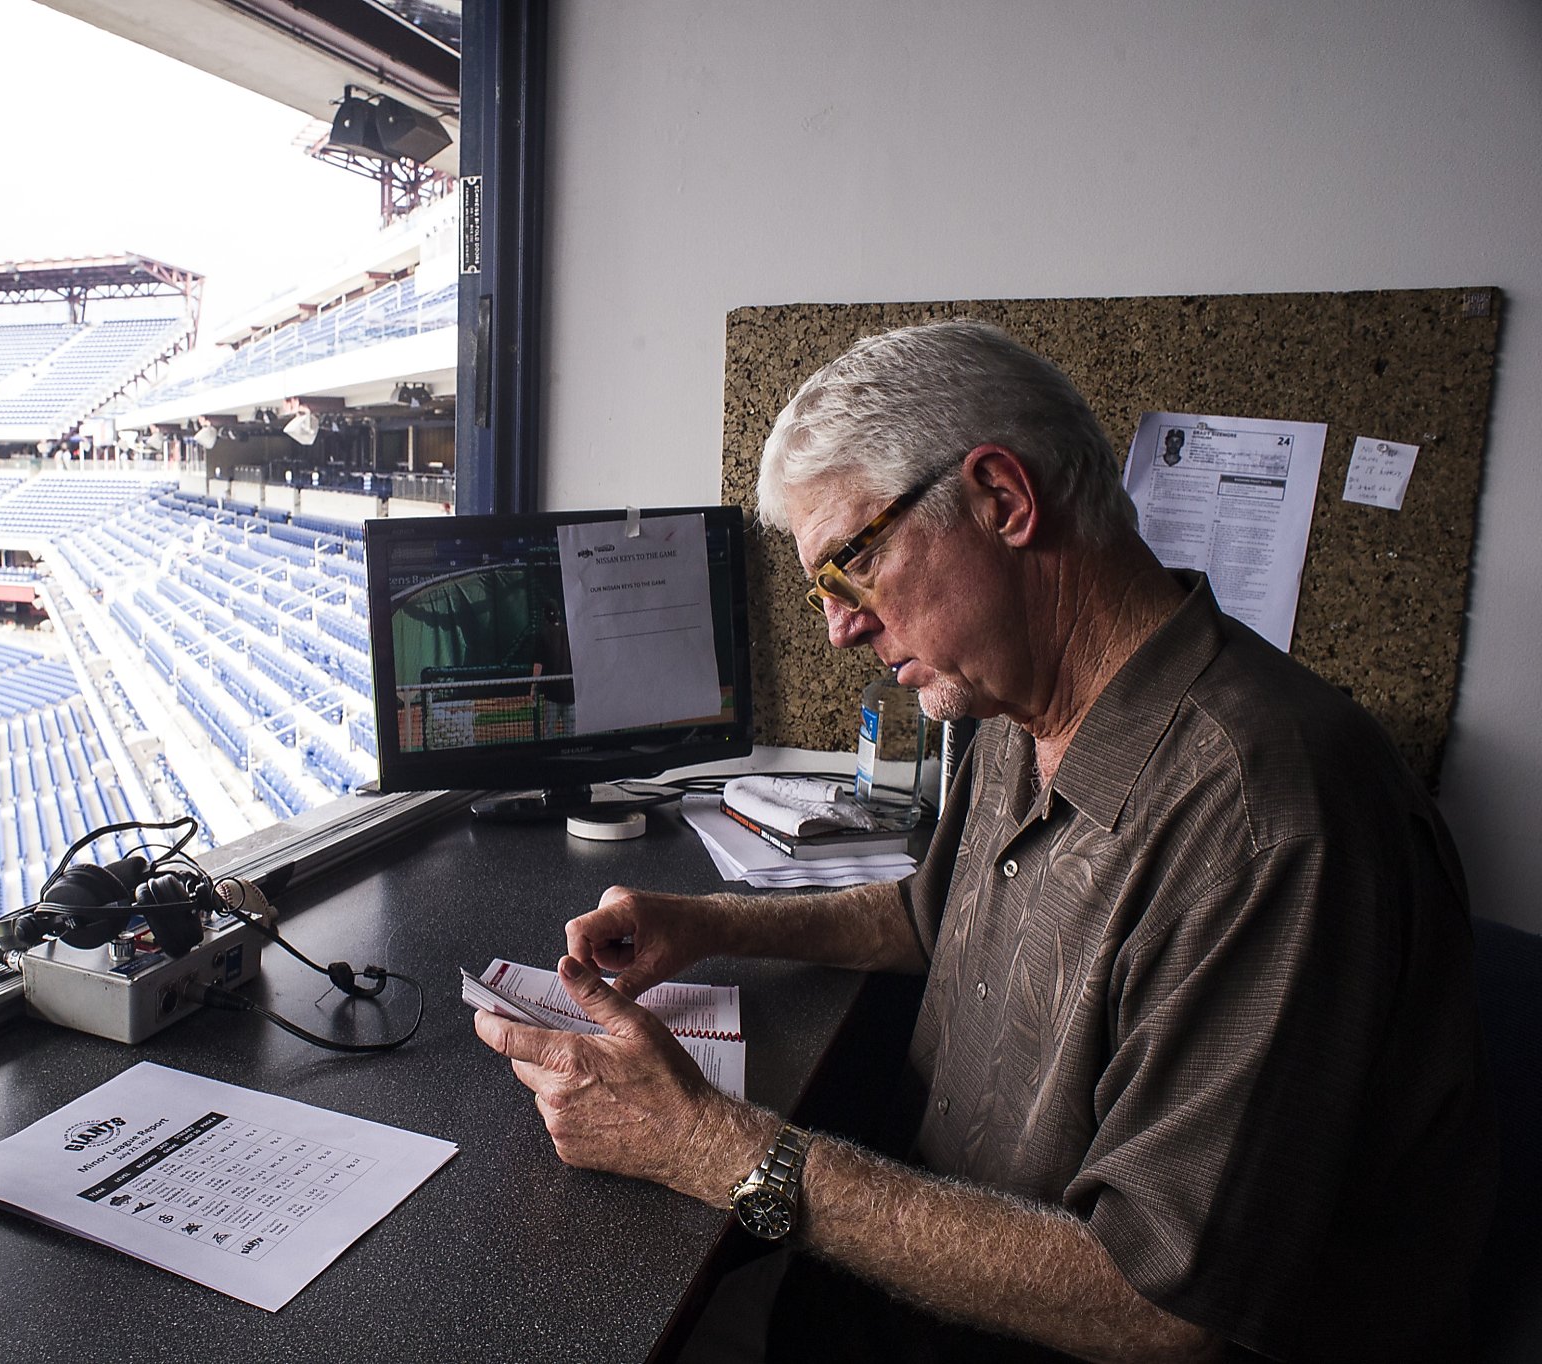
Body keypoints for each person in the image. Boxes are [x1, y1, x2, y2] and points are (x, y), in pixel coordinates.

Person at [472, 321, 1496, 1362]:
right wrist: (704, 922)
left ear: (1001, 498)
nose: (838, 627)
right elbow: (931, 908)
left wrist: (708, 1147)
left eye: (850, 566)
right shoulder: (1016, 704)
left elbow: (1162, 1305)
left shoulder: (1266, 814)